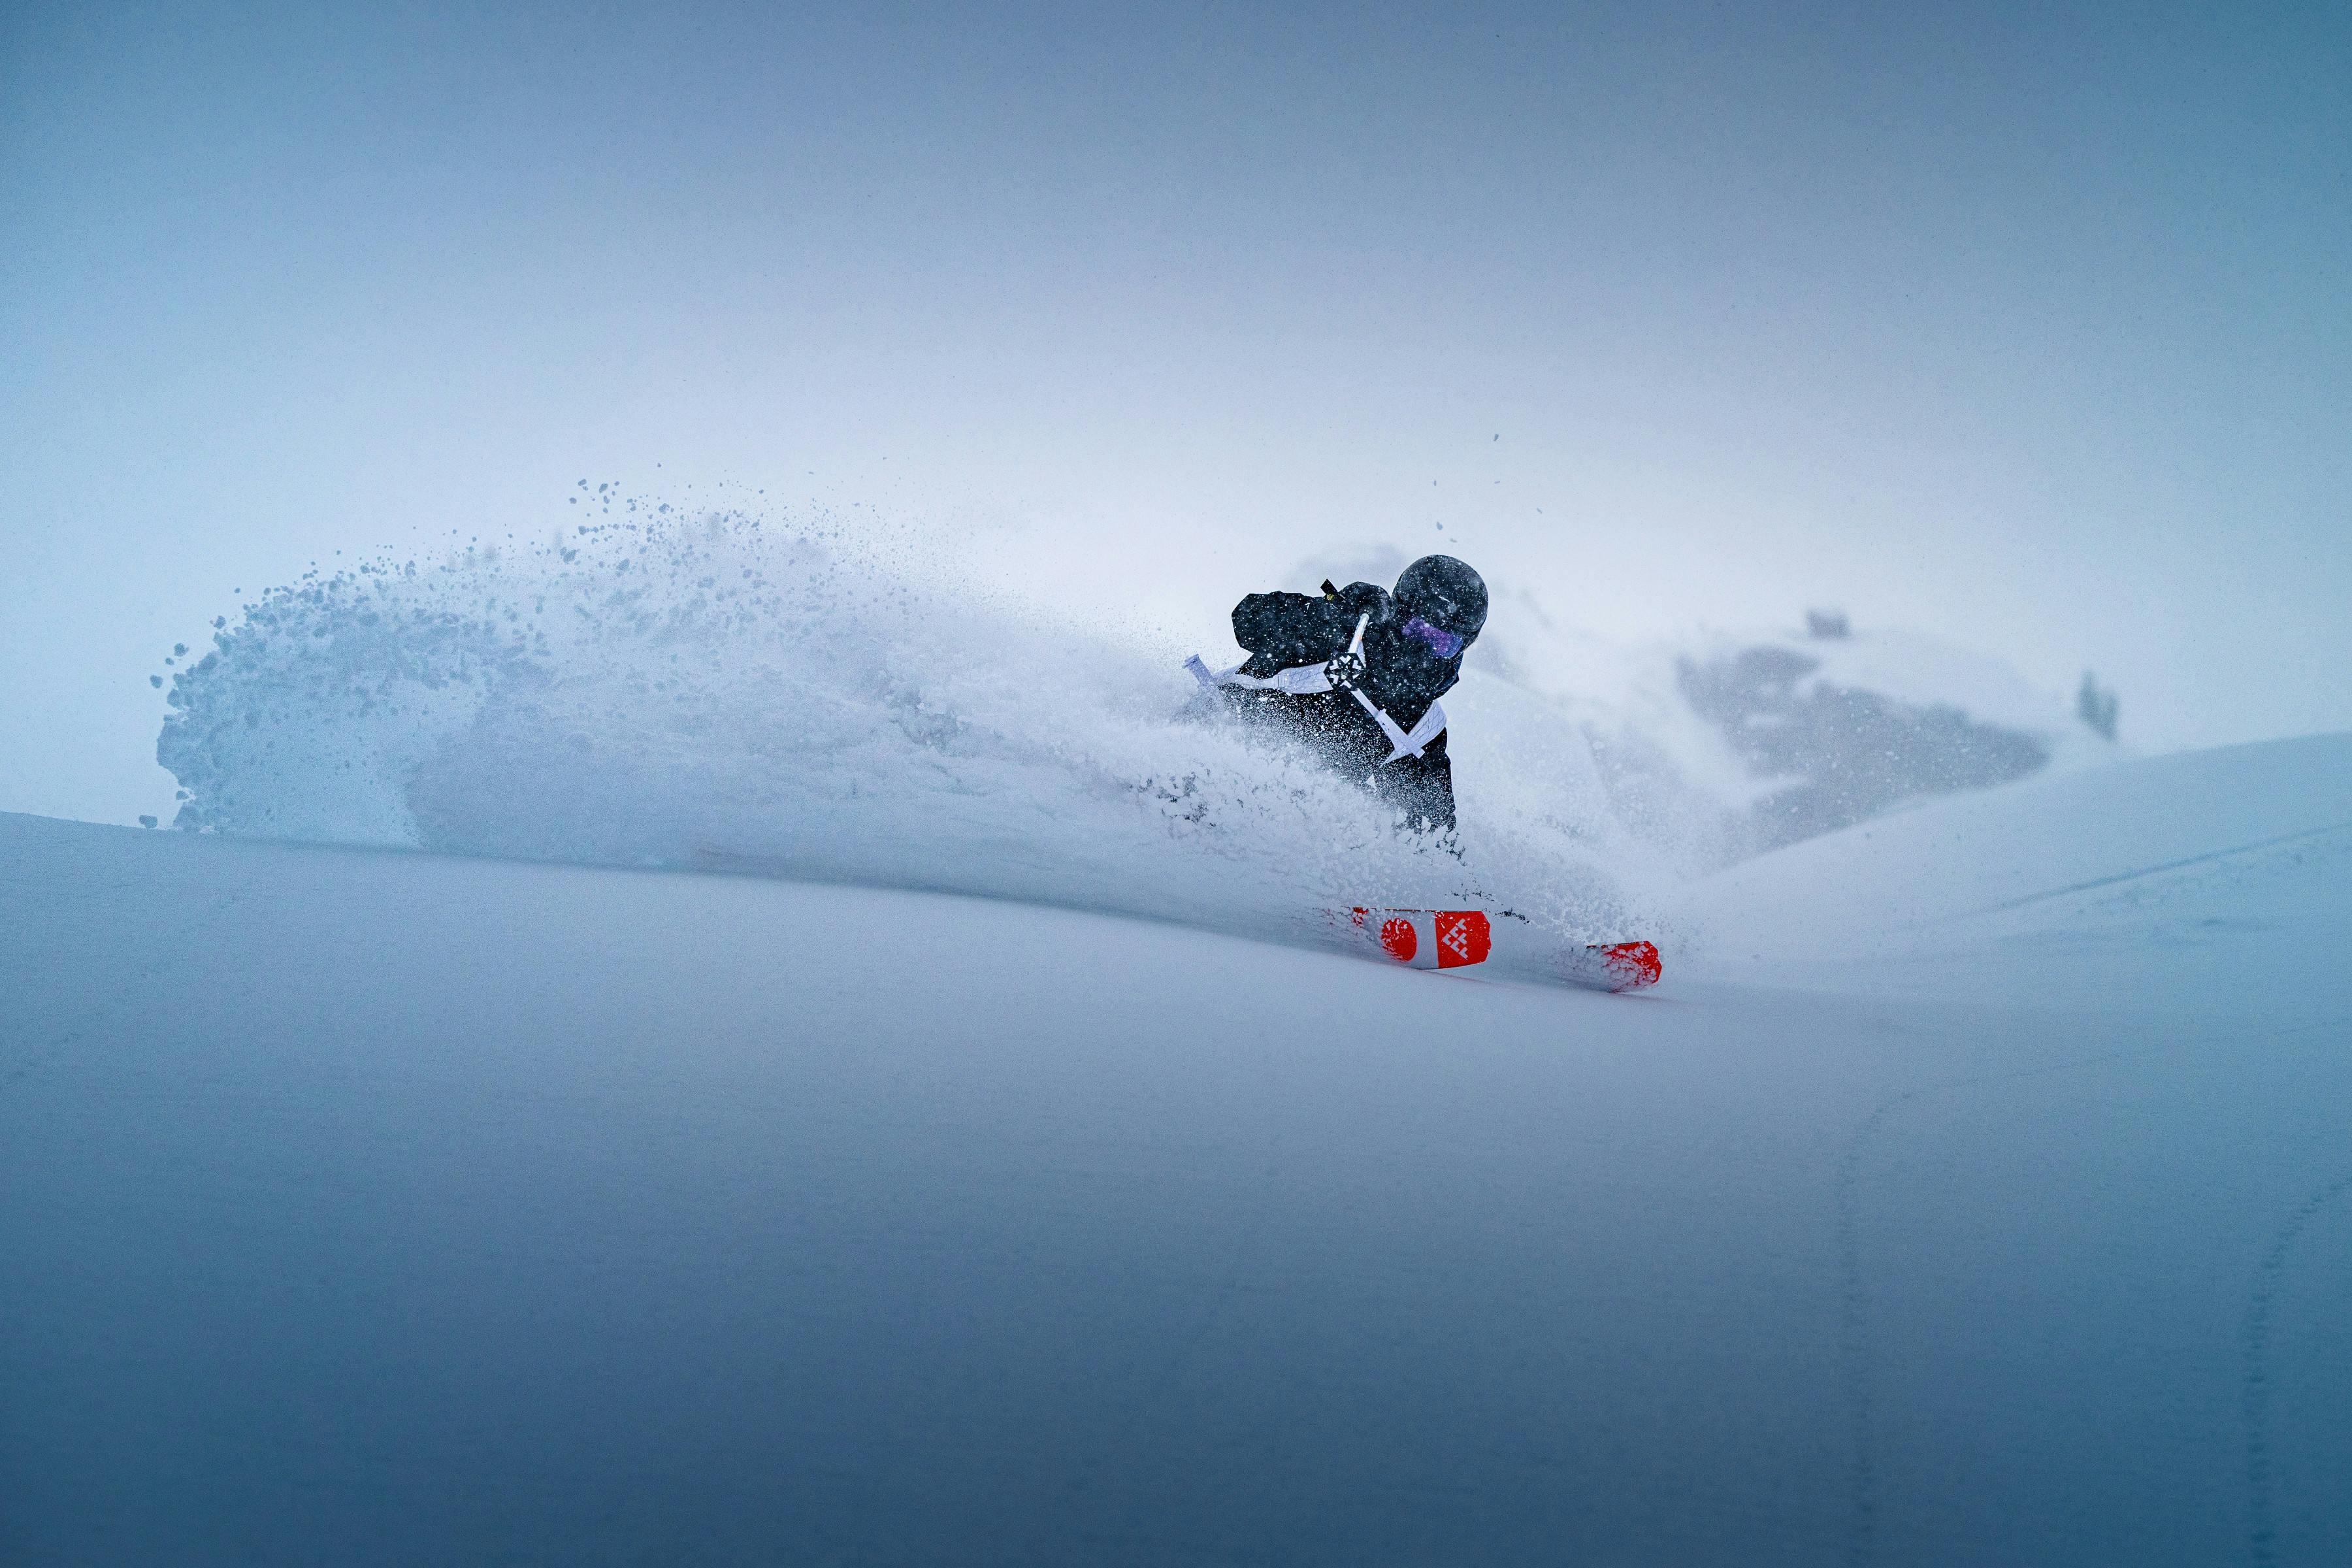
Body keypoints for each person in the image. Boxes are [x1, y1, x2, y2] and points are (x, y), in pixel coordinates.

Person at [1186, 555, 1488, 835]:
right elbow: (1248, 621)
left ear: (1461, 649)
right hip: (1196, 758)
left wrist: (1459, 889)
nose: (1424, 651)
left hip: (1262, 823)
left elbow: (1431, 843)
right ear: (1399, 614)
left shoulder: (1420, 729)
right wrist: (1329, 613)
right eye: (1417, 630)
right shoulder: (1344, 635)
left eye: (1442, 643)